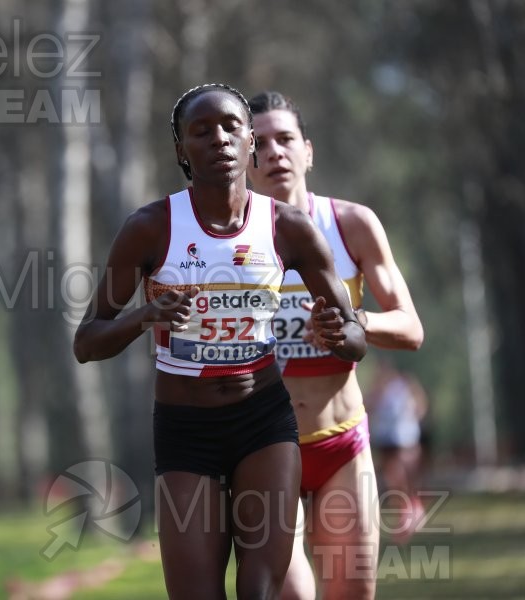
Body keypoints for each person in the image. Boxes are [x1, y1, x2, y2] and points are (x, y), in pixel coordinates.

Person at [73, 83, 366, 600]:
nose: (220, 139)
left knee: (260, 588)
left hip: (264, 422)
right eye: (201, 131)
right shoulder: (150, 228)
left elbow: (354, 336)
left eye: (231, 127)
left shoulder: (289, 228)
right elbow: (88, 341)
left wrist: (339, 333)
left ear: (249, 140)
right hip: (187, 431)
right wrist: (146, 315)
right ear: (181, 150)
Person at [246, 90, 424, 600]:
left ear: (308, 151)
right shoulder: (227, 244)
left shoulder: (351, 224)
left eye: (285, 139)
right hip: (262, 447)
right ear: (243, 161)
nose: (275, 152)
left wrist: (352, 321)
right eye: (258, 144)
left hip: (341, 443)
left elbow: (411, 328)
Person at [365, 360, 428, 544]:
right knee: (394, 480)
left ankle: (411, 511)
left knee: (403, 478)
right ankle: (405, 515)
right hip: (386, 440)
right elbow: (367, 406)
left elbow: (420, 406)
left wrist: (411, 420)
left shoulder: (406, 385)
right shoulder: (379, 389)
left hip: (405, 439)